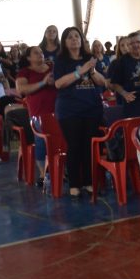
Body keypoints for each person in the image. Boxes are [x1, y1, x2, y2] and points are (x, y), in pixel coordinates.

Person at [53, 26, 108, 199]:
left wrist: (92, 70)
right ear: (64, 42)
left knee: (88, 146)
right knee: (74, 146)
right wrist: (81, 71)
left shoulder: (89, 58)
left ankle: (89, 182)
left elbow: (102, 82)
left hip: (92, 109)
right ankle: (75, 184)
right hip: (70, 110)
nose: (74, 39)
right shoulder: (61, 61)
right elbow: (58, 83)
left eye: (77, 36)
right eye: (70, 37)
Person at [14, 46, 58, 187]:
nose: (40, 54)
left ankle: (61, 170)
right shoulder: (24, 72)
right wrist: (43, 82)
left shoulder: (52, 68)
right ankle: (43, 173)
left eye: (41, 52)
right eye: (36, 53)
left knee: (59, 140)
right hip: (38, 113)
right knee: (41, 142)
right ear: (28, 57)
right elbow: (22, 89)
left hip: (58, 110)